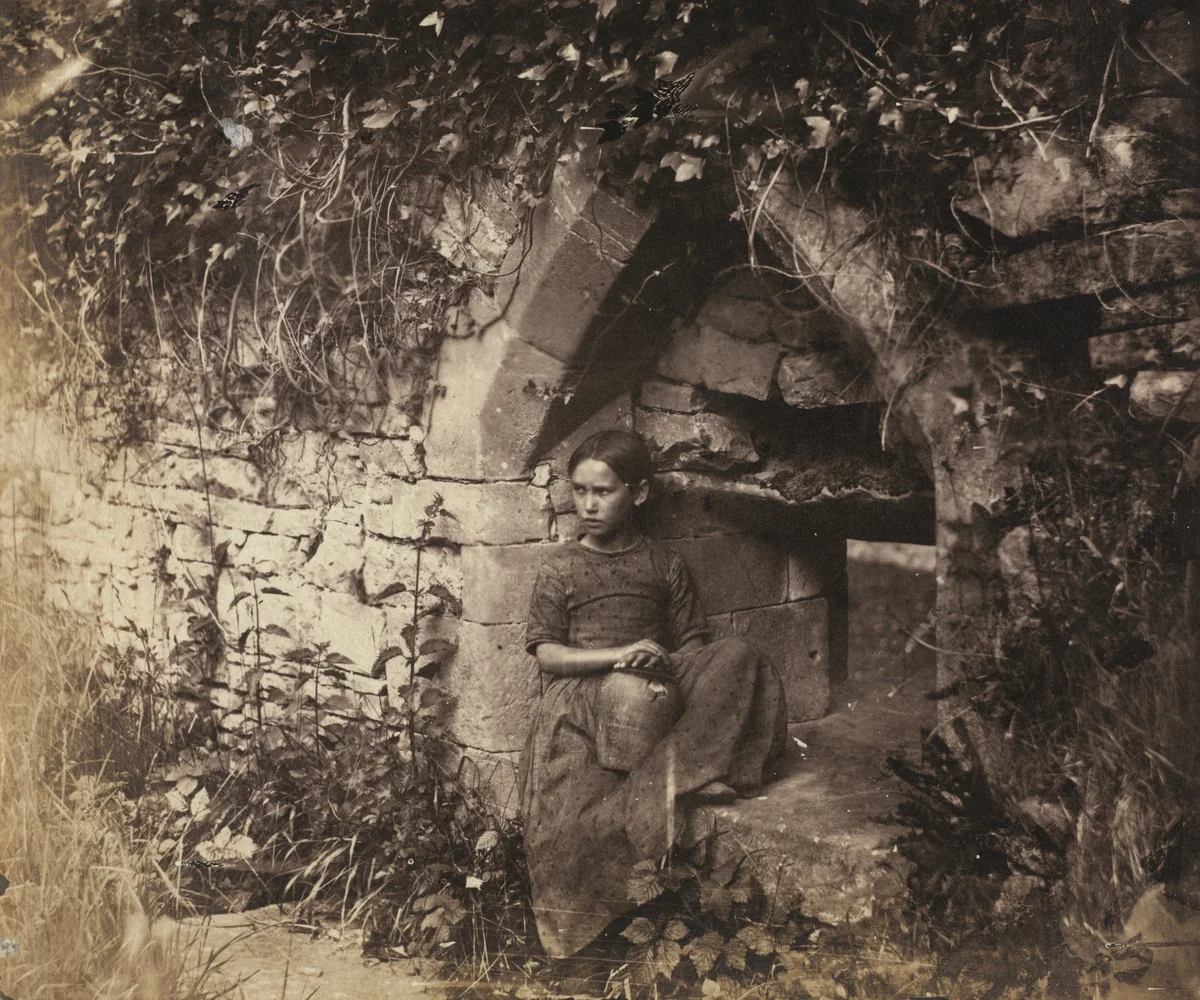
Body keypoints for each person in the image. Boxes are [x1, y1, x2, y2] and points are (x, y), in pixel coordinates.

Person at [517, 429, 788, 959]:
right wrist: (618, 655)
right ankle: (686, 776)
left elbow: (695, 645)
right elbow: (548, 655)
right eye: (579, 491)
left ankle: (682, 770)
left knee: (738, 657)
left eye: (603, 491)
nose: (588, 505)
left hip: (657, 680)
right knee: (571, 816)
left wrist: (660, 660)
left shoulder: (663, 563)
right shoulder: (561, 567)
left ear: (638, 494)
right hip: (585, 694)